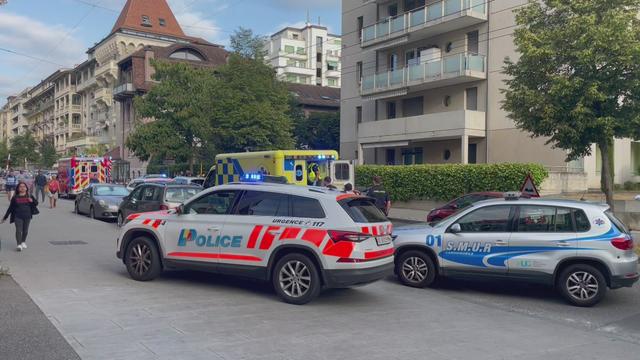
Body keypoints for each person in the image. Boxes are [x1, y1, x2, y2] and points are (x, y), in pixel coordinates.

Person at [1, 181, 39, 251]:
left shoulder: (30, 196)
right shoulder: (15, 197)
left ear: (26, 188)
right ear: (18, 188)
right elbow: (10, 208)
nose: (22, 188)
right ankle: (19, 244)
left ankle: (23, 242)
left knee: (25, 231)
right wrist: (5, 217)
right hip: (17, 216)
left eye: (24, 186)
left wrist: (32, 201)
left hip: (27, 216)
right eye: (20, 187)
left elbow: (36, 203)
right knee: (18, 230)